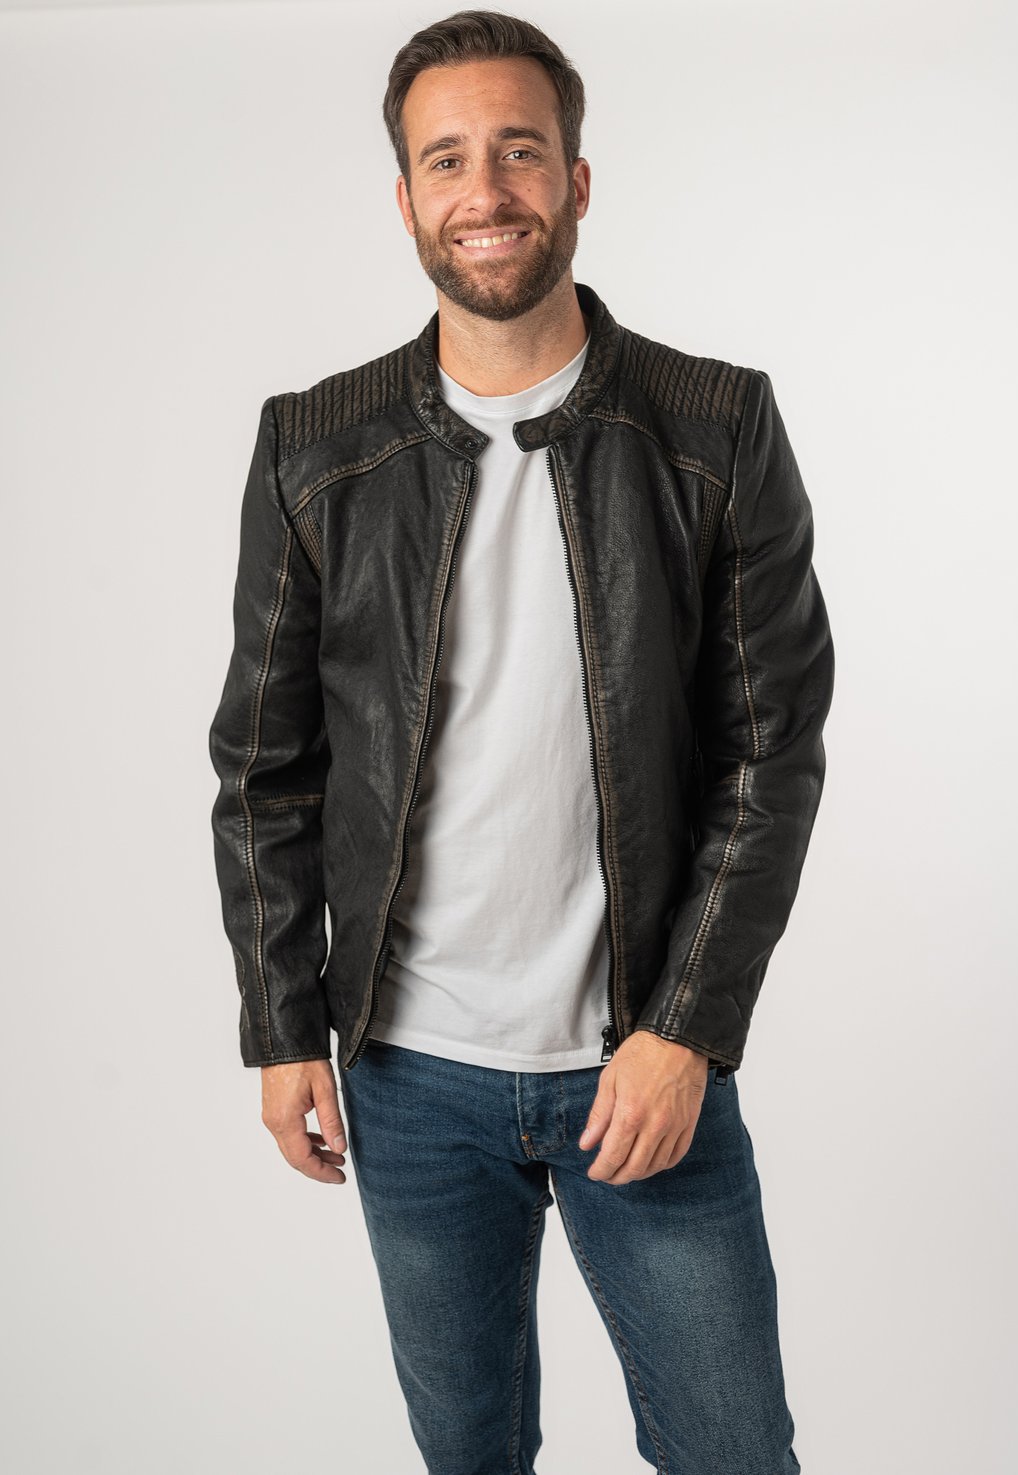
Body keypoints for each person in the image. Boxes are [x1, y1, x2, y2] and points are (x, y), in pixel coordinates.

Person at [207, 11, 835, 1472]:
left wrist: (686, 1030)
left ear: (577, 179)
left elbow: (772, 757)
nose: (484, 190)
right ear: (406, 198)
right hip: (410, 1077)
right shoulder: (315, 447)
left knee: (735, 1455)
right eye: (447, 160)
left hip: (643, 1064)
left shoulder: (714, 429)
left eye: (518, 151)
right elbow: (264, 768)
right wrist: (280, 1026)